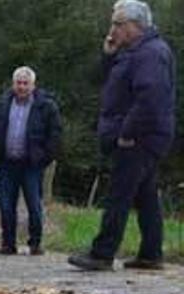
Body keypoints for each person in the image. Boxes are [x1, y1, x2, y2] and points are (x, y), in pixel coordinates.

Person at [68, 0, 176, 271]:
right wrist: (109, 54)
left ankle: (102, 253)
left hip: (139, 136)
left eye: (118, 24)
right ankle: (151, 254)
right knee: (145, 196)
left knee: (119, 194)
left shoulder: (150, 54)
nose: (112, 29)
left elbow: (149, 98)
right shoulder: (133, 52)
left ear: (135, 26)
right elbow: (107, 83)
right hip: (143, 135)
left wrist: (127, 133)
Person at [0, 66, 62, 256]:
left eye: (26, 83)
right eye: (18, 83)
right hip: (6, 163)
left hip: (32, 164)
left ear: (33, 85)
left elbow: (55, 135)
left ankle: (35, 243)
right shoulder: (1, 105)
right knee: (6, 205)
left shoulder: (46, 107)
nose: (22, 87)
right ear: (13, 84)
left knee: (34, 204)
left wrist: (43, 158)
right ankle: (8, 243)